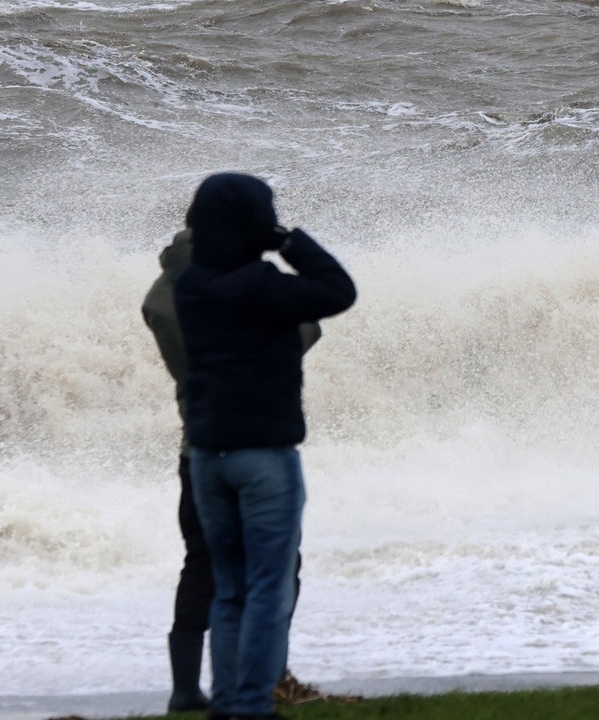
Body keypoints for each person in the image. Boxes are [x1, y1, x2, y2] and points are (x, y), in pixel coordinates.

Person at [174, 172, 357, 720]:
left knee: (229, 589)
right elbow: (338, 290)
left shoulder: (189, 286)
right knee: (268, 593)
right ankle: (251, 706)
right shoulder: (262, 286)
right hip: (263, 458)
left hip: (208, 457)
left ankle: (228, 702)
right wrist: (288, 240)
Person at [142, 214, 325, 712]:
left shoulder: (162, 293)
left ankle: (184, 689)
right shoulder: (239, 286)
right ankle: (270, 680)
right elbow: (307, 327)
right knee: (278, 568)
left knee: (202, 564)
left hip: (198, 448)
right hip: (258, 445)